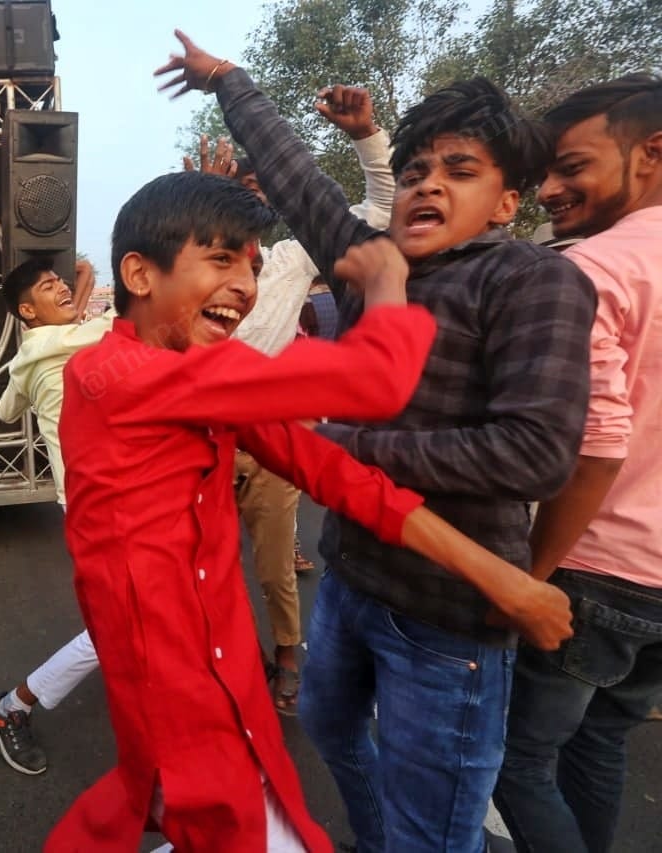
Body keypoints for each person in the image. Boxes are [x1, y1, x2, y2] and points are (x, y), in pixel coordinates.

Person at [44, 160, 574, 850]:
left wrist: (502, 576)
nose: (245, 286)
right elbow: (379, 379)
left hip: (218, 657)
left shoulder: (187, 380)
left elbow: (333, 472)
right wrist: (389, 285)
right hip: (177, 682)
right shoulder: (123, 374)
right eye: (221, 259)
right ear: (140, 276)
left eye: (254, 265)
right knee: (234, 816)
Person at [161, 31, 598, 853]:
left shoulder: (530, 281)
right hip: (353, 580)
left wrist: (343, 448)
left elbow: (535, 453)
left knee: (434, 824)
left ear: (508, 202)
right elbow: (297, 181)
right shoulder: (377, 263)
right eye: (417, 170)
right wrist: (230, 81)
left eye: (460, 171)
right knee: (330, 732)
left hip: (449, 621)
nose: (429, 184)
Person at [492, 74, 662, 853]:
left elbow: (596, 446)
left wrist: (527, 578)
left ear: (651, 153)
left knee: (517, 761)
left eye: (572, 166)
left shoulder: (589, 271)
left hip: (591, 566)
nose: (551, 190)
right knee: (595, 746)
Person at [187, 84, 396, 713]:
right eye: (236, 193)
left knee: (277, 566)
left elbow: (380, 212)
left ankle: (286, 656)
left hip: (273, 438)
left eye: (259, 192)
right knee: (206, 565)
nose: (252, 200)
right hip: (199, 442)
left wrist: (366, 138)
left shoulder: (288, 259)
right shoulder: (192, 265)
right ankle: (227, 656)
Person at [0, 256, 104, 775]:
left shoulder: (32, 356)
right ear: (27, 310)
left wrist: (26, 384)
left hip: (103, 502)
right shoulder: (77, 340)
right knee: (118, 626)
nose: (61, 288)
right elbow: (106, 324)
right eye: (48, 286)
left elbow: (6, 412)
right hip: (99, 510)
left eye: (61, 281)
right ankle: (12, 706)